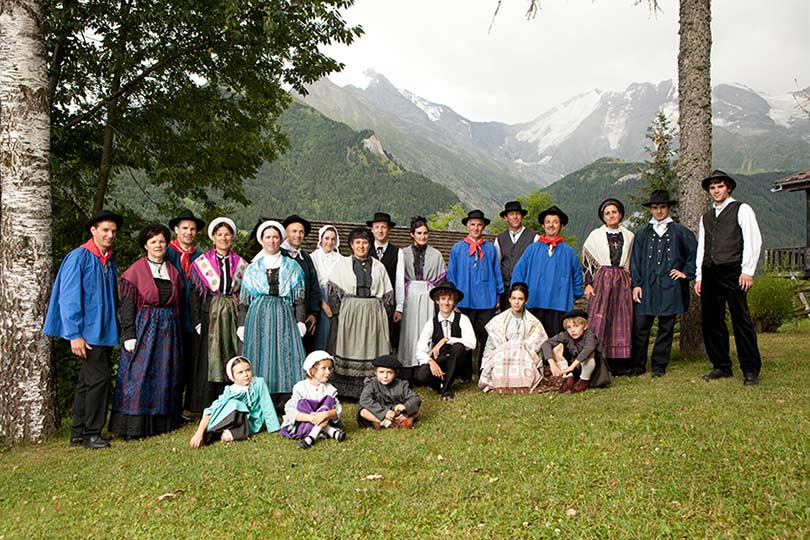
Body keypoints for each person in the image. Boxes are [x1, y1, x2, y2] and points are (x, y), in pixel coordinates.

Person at [43, 210, 123, 449]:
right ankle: (92, 433)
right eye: (105, 230)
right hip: (87, 332)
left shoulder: (107, 259)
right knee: (99, 380)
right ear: (93, 230)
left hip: (104, 330)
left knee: (87, 383)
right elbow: (68, 298)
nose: (110, 235)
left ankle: (78, 433)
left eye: (113, 231)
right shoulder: (79, 257)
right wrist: (74, 334)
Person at [109, 224, 185, 440]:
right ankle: (134, 426)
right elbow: (127, 307)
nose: (158, 245)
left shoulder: (172, 271)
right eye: (153, 242)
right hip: (144, 326)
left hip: (168, 329)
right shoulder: (134, 272)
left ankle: (162, 423)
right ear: (145, 245)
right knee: (139, 375)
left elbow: (178, 303)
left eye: (161, 241)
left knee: (165, 374)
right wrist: (129, 334)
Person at [695, 170, 763, 385]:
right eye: (712, 188)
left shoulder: (741, 209)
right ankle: (722, 366)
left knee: (740, 320)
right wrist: (699, 276)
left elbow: (753, 240)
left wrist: (748, 271)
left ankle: (750, 369)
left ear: (728, 188)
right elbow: (702, 247)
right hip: (710, 272)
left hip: (734, 271)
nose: (716, 191)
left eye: (720, 187)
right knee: (711, 321)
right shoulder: (706, 216)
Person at [630, 190, 697, 377]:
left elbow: (694, 254)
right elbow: (635, 261)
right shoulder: (642, 234)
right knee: (641, 327)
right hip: (646, 288)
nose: (658, 211)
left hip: (670, 287)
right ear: (650, 209)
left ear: (668, 208)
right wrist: (636, 284)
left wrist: (686, 273)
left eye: (662, 207)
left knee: (666, 329)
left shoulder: (680, 232)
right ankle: (638, 366)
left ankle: (659, 366)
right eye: (655, 207)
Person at [238, 220, 307, 395]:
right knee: (260, 353)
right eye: (268, 237)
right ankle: (260, 395)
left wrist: (300, 321)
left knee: (285, 354)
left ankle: (284, 396)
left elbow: (299, 299)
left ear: (280, 239)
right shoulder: (252, 268)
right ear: (261, 240)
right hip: (258, 314)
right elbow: (244, 301)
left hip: (283, 313)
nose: (272, 241)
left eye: (275, 237)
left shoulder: (292, 266)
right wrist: (241, 324)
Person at [187, 217, 248, 411]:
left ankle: (232, 398)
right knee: (208, 358)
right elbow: (194, 295)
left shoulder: (241, 264)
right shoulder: (201, 263)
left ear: (232, 237)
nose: (223, 238)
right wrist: (197, 321)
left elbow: (245, 295)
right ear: (213, 237)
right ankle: (206, 402)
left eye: (227, 234)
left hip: (232, 314)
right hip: (209, 314)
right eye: (219, 234)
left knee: (231, 352)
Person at [327, 227, 394, 399]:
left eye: (365, 242)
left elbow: (387, 294)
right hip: (350, 312)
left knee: (373, 347)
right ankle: (347, 391)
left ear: (370, 245)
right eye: (357, 242)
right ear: (351, 245)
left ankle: (374, 389)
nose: (361, 246)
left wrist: (384, 317)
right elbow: (333, 293)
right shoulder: (342, 265)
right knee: (350, 348)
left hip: (374, 313)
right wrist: (339, 315)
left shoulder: (379, 266)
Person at [582, 198, 635, 376]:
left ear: (620, 214)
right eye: (607, 213)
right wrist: (588, 284)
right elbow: (587, 262)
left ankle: (620, 363)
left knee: (621, 319)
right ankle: (596, 360)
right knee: (599, 319)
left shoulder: (629, 236)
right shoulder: (595, 236)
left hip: (622, 279)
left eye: (614, 212)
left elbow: (632, 261)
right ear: (603, 217)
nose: (611, 215)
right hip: (602, 279)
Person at [511, 206, 583, 337]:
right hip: (534, 303)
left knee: (556, 342)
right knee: (532, 341)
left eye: (555, 222)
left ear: (561, 226)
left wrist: (576, 294)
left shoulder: (569, 252)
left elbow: (577, 276)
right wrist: (518, 294)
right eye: (548, 222)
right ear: (543, 226)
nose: (551, 225)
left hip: (559, 305)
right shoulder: (532, 249)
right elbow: (518, 272)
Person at [447, 209, 503, 375]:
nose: (476, 228)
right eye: (472, 224)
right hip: (464, 301)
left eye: (479, 225)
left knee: (485, 337)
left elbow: (496, 272)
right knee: (464, 337)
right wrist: (453, 300)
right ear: (467, 226)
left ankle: (483, 368)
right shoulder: (457, 249)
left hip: (486, 299)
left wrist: (499, 294)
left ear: (483, 226)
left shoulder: (491, 249)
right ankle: (464, 372)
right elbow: (452, 274)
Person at [189, 356, 280, 448]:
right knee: (234, 404)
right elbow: (210, 411)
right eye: (240, 372)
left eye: (248, 370)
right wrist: (199, 432)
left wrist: (274, 428)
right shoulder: (230, 391)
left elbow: (267, 405)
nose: (245, 374)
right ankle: (209, 432)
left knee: (228, 436)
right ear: (233, 376)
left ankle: (217, 434)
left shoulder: (259, 383)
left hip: (249, 424)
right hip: (233, 421)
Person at [165, 209, 205, 406]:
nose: (189, 232)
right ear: (176, 229)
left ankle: (190, 403)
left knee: (192, 360)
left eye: (192, 229)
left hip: (193, 316)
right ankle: (172, 403)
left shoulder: (200, 256)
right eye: (185, 228)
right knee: (172, 361)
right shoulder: (167, 252)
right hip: (172, 314)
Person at [397, 216, 447, 374]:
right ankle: (407, 365)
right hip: (409, 294)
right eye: (419, 233)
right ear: (412, 234)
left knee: (426, 328)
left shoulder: (436, 254)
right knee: (409, 330)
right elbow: (399, 277)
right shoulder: (403, 253)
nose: (423, 236)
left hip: (428, 294)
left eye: (425, 233)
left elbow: (441, 278)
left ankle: (425, 365)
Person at [412, 280, 476, 400]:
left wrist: (446, 340)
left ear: (454, 302)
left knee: (457, 347)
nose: (446, 303)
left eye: (450, 299)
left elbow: (472, 343)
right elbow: (420, 350)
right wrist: (430, 362)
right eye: (443, 299)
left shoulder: (463, 319)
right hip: (442, 362)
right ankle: (442, 386)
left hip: (459, 364)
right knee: (421, 375)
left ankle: (446, 389)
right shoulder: (431, 322)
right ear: (437, 301)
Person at [479, 282, 548, 393]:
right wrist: (484, 364)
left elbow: (537, 347)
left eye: (520, 299)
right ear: (509, 299)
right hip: (503, 357)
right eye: (514, 298)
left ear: (526, 301)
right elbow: (490, 344)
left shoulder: (534, 323)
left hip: (524, 358)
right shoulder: (498, 321)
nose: (516, 302)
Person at [280, 350, 345, 449]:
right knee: (302, 403)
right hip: (305, 420)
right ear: (312, 370)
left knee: (329, 400)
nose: (328, 372)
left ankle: (311, 437)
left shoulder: (329, 389)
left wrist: (325, 414)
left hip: (324, 418)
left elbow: (338, 410)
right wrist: (312, 418)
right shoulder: (300, 387)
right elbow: (290, 410)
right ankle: (329, 431)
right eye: (323, 368)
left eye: (329, 368)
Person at [541, 309, 611, 394]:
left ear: (585, 326)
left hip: (593, 371)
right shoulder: (566, 335)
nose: (572, 330)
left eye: (576, 326)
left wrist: (572, 367)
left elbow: (588, 349)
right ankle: (568, 379)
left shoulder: (590, 336)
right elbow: (546, 343)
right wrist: (552, 364)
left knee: (589, 354)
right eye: (569, 327)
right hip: (575, 369)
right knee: (556, 348)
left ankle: (583, 382)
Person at [281, 214, 322, 353]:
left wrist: (313, 313)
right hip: (282, 313)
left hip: (304, 315)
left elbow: (314, 287)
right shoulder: (278, 255)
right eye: (294, 231)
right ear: (285, 233)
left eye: (301, 232)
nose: (298, 235)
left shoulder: (305, 257)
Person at [367, 212, 405, 351]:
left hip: (388, 305)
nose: (380, 230)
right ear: (372, 229)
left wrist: (399, 307)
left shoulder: (397, 252)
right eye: (377, 227)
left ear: (389, 229)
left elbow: (399, 281)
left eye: (383, 227)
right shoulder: (365, 249)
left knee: (386, 339)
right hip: (369, 303)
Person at [494, 201, 538, 311]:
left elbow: (537, 266)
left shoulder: (534, 237)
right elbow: (496, 265)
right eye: (511, 214)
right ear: (506, 217)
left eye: (517, 214)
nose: (515, 217)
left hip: (527, 291)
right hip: (506, 292)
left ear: (522, 216)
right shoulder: (499, 239)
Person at [358, 355, 422, 429]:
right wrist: (384, 412)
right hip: (377, 411)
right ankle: (384, 422)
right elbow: (364, 400)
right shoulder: (371, 383)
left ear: (396, 374)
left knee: (416, 410)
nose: (385, 376)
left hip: (394, 412)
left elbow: (415, 398)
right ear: (375, 372)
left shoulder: (401, 385)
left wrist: (405, 406)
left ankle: (400, 420)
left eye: (389, 372)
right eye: (381, 372)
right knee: (363, 411)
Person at [310, 225, 343, 351]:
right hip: (319, 299)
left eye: (333, 239)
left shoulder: (341, 259)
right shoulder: (313, 257)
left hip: (337, 299)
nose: (330, 242)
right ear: (321, 239)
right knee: (322, 334)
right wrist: (323, 304)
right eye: (327, 238)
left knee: (335, 335)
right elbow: (312, 285)